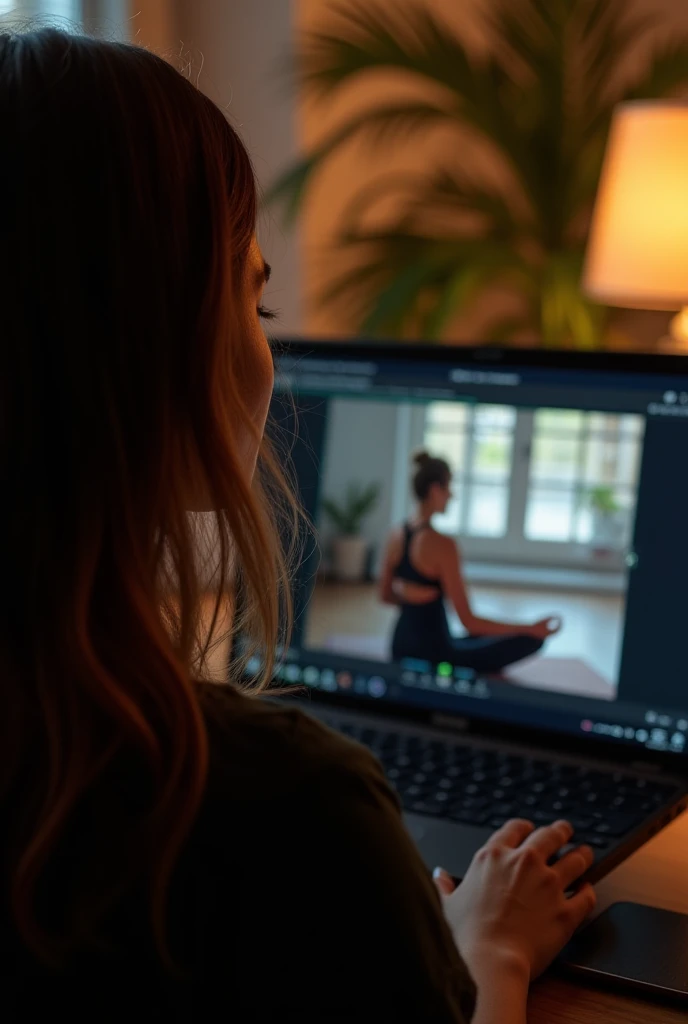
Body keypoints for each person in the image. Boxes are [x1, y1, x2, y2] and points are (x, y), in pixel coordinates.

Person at [0, 28, 595, 1023]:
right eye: (253, 296)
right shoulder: (281, 809)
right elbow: (448, 611)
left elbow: (428, 604)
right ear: (167, 344)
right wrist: (488, 949)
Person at [380, 452, 562, 673]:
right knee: (531, 639)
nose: (452, 495)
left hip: (399, 646)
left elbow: (385, 595)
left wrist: (412, 597)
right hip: (438, 655)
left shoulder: (395, 534)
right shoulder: (442, 544)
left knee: (481, 637)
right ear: (435, 490)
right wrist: (530, 628)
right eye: (448, 488)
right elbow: (468, 621)